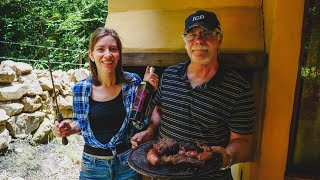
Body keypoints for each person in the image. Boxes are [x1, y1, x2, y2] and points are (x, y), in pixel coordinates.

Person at [131, 10, 256, 180]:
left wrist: (227, 157)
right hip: (164, 174)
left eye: (206, 33)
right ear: (185, 42)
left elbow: (244, 143)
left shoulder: (238, 87)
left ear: (219, 40)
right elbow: (159, 110)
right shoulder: (169, 75)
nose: (198, 40)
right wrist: (150, 130)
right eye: (191, 35)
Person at [53, 27, 159, 180]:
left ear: (119, 54)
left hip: (128, 163)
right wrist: (68, 129)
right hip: (92, 167)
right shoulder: (80, 89)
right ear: (91, 55)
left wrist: (149, 91)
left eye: (113, 49)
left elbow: (140, 122)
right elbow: (82, 124)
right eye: (100, 49)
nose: (107, 55)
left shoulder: (134, 82)